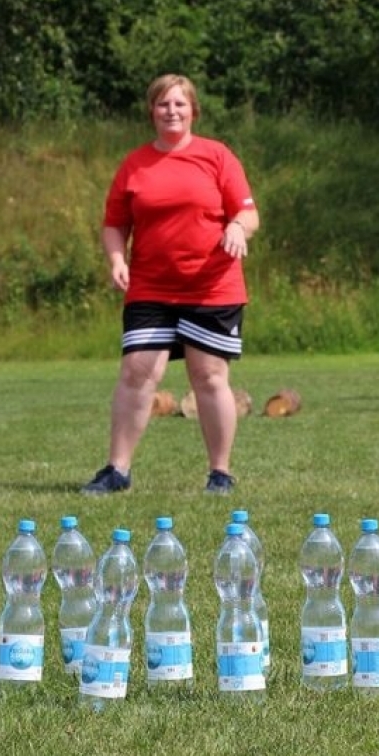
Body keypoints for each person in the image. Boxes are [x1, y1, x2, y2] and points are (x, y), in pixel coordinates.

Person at [81, 73, 259, 495]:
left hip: (211, 286)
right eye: (163, 104)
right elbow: (113, 223)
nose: (171, 111)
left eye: (179, 104)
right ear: (152, 112)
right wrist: (116, 258)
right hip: (150, 286)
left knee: (209, 375)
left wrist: (237, 227)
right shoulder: (135, 164)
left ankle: (221, 473)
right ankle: (117, 471)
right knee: (138, 371)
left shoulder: (217, 157)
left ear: (193, 110)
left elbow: (249, 214)